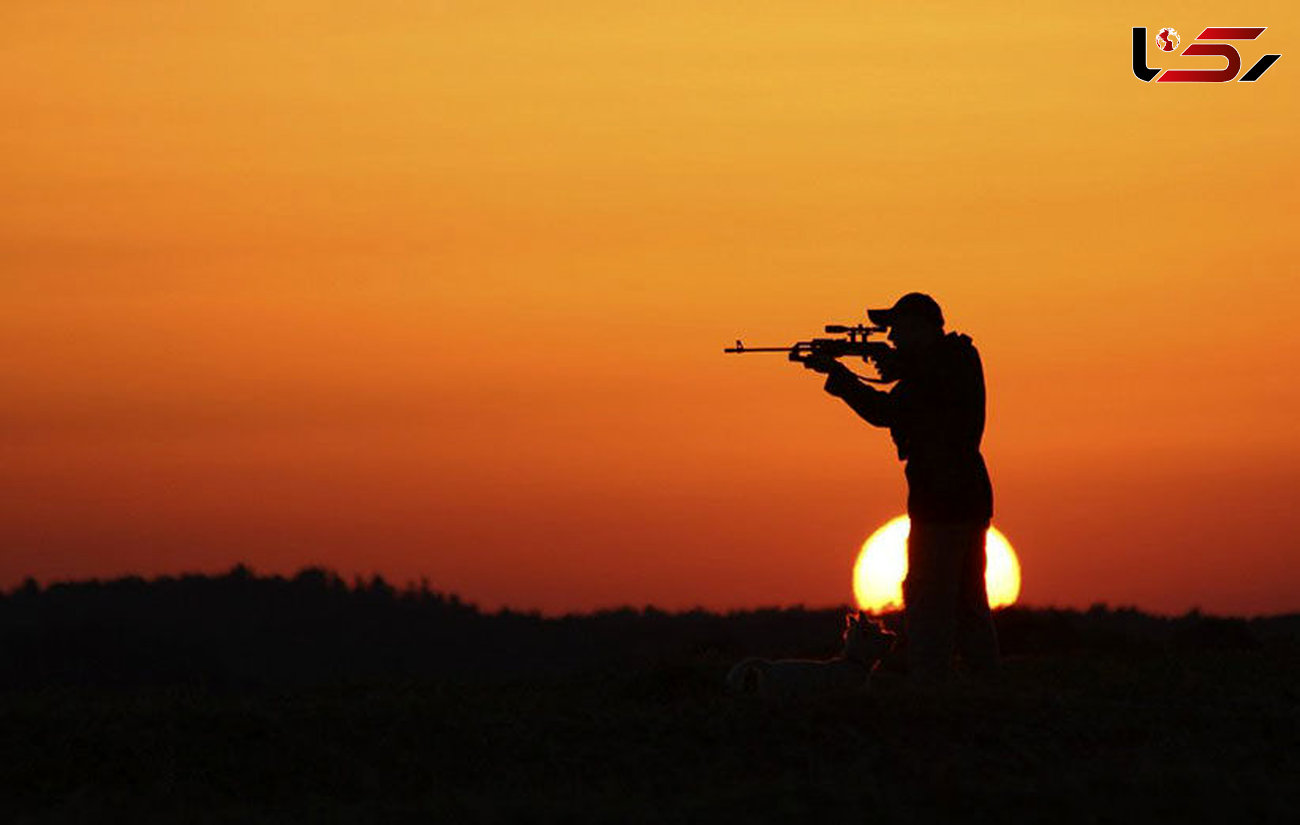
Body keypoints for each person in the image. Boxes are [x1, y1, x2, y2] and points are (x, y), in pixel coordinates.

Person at [802, 292, 1000, 682]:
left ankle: (931, 686)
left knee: (930, 602)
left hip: (942, 504)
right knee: (966, 603)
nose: (891, 336)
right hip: (963, 500)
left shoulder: (946, 364)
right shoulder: (945, 365)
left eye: (898, 328)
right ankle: (985, 686)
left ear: (922, 327)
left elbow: (887, 412)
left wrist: (842, 377)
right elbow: (902, 402)